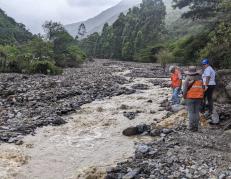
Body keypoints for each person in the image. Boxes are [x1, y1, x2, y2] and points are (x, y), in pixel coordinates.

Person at [183, 66, 204, 132]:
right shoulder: (200, 79)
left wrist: (184, 97)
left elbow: (184, 90)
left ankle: (191, 127)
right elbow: (203, 88)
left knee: (191, 112)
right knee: (197, 112)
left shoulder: (187, 79)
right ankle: (196, 127)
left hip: (190, 98)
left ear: (189, 72)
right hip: (199, 98)